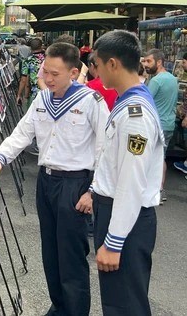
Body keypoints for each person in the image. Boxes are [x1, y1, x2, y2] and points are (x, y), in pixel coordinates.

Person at [0, 42, 109, 316]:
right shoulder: (42, 99)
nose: (47, 78)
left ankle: (75, 311)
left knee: (72, 257)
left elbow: (106, 150)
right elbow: (22, 133)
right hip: (46, 182)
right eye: (45, 72)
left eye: (55, 73)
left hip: (75, 185)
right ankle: (60, 306)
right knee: (50, 252)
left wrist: (93, 191)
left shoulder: (91, 102)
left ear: (74, 72)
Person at [89, 30, 163, 315]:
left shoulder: (136, 114)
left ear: (113, 64)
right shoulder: (128, 101)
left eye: (97, 62)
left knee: (125, 304)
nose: (95, 69)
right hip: (117, 212)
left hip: (126, 219)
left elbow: (131, 182)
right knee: (117, 299)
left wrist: (114, 241)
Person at [142, 48, 178, 203]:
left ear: (159, 62)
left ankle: (156, 189)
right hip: (169, 124)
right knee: (161, 157)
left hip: (157, 125)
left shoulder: (156, 81)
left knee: (153, 158)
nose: (145, 65)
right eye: (144, 61)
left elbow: (144, 99)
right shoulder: (172, 78)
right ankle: (160, 189)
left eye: (148, 61)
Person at [16, 38, 45, 107]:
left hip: (35, 93)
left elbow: (23, 80)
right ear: (41, 46)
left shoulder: (27, 61)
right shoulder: (48, 58)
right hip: (49, 92)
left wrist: (19, 95)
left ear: (30, 48)